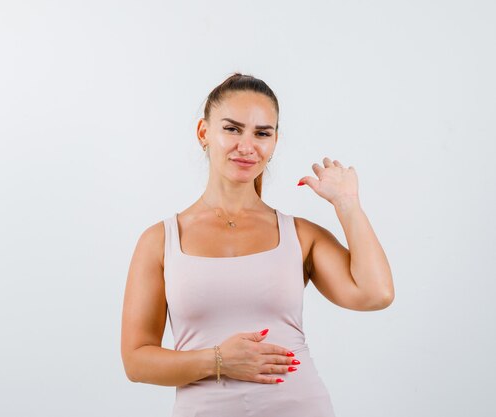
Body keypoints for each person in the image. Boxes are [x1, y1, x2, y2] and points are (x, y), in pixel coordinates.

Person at [120, 73, 394, 416]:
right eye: (232, 129)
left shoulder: (300, 235)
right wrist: (219, 361)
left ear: (274, 141)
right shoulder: (160, 240)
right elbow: (136, 361)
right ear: (204, 133)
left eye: (262, 133)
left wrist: (347, 204)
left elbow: (375, 293)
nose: (247, 146)